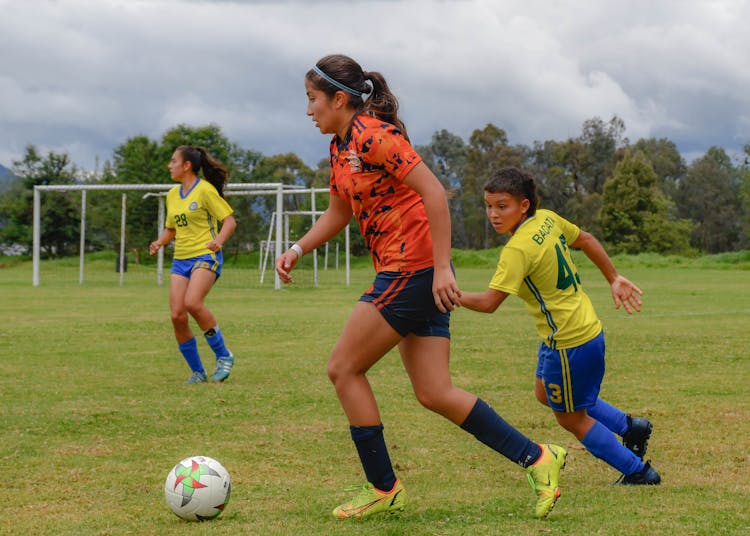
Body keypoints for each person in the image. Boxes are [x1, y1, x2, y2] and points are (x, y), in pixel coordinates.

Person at [275, 54, 566, 520]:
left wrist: (443, 268)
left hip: (411, 271)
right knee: (434, 391)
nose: (308, 110)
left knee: (343, 369)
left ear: (339, 98)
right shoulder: (339, 147)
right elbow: (338, 213)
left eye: (312, 99)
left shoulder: (373, 135)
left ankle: (383, 487)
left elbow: (434, 191)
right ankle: (539, 457)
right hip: (410, 272)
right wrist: (297, 248)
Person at [458, 166, 661, 486]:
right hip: (583, 331)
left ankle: (637, 472)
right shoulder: (547, 219)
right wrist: (613, 277)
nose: (493, 214)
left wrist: (448, 294)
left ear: (524, 205)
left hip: (569, 343)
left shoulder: (517, 250)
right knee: (546, 393)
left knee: (570, 416)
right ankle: (630, 427)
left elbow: (488, 303)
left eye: (502, 206)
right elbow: (587, 239)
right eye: (488, 206)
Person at [149, 145, 237, 384]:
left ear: (186, 165)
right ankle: (197, 372)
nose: (169, 165)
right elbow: (171, 229)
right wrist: (159, 242)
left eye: (173, 161)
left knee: (192, 303)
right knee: (178, 315)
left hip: (205, 255)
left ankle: (224, 355)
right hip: (181, 259)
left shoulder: (205, 190)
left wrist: (218, 241)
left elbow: (229, 221)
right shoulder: (172, 194)